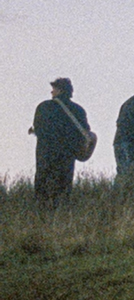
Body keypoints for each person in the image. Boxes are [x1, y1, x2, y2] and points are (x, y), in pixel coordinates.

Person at [29, 78, 91, 208]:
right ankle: (61, 214)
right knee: (64, 187)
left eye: (53, 89)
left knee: (43, 186)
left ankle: (41, 214)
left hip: (46, 154)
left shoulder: (44, 106)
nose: (51, 92)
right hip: (67, 155)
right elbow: (85, 132)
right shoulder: (78, 110)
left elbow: (39, 129)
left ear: (59, 90)